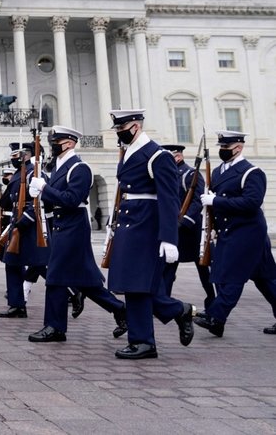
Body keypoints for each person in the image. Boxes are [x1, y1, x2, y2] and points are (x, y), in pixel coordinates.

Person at [104, 109, 193, 360]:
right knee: (131, 286)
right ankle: (178, 312)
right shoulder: (129, 152)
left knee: (140, 287)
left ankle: (143, 342)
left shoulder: (157, 155)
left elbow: (169, 199)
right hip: (129, 225)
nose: (119, 134)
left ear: (135, 126)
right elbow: (123, 194)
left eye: (122, 129)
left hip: (147, 227)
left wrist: (169, 237)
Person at [26, 125, 127, 342]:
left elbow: (72, 199)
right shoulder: (59, 166)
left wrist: (44, 189)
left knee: (54, 276)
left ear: (69, 143)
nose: (53, 145)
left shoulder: (80, 168)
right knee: (84, 280)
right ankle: (120, 310)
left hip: (73, 226)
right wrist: (40, 193)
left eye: (57, 141)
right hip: (61, 225)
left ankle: (55, 327)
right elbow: (55, 198)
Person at [194, 131, 276, 337]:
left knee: (231, 277)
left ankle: (216, 316)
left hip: (248, 233)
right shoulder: (218, 171)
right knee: (266, 280)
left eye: (226, 148)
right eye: (220, 147)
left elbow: (251, 202)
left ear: (238, 148)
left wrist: (217, 201)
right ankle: (217, 321)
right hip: (228, 232)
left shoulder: (251, 172)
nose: (222, 151)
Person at [0, 142, 48, 319]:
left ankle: (72, 291)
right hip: (17, 222)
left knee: (39, 263)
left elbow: (38, 201)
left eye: (16, 156)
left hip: (29, 224)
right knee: (12, 263)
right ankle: (17, 304)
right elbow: (8, 199)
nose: (14, 159)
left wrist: (24, 221)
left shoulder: (35, 172)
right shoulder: (20, 173)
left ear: (26, 155)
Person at [161, 144, 215, 308]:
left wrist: (185, 220)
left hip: (191, 231)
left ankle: (212, 301)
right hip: (174, 228)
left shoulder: (190, 174)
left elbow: (198, 200)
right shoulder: (167, 175)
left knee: (203, 269)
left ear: (178, 157)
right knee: (168, 267)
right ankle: (164, 301)